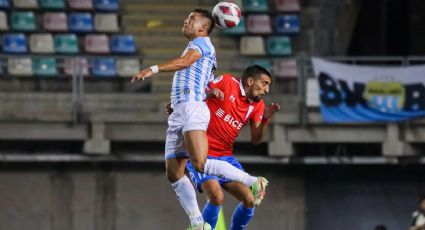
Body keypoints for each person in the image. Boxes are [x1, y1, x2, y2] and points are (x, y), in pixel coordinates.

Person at [131, 9, 268, 230]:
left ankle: (252, 181)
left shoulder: (202, 44)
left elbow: (185, 62)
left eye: (192, 19)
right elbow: (201, 78)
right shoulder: (202, 49)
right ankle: (197, 222)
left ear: (203, 28)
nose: (186, 21)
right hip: (180, 110)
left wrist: (153, 69)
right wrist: (187, 99)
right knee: (174, 173)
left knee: (200, 164)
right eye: (187, 18)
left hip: (192, 109)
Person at [168, 65, 280, 229]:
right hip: (202, 153)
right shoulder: (227, 82)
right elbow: (197, 94)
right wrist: (209, 93)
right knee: (216, 197)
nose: (267, 89)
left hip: (225, 157)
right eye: (264, 83)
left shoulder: (258, 106)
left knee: (249, 199)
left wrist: (265, 120)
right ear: (250, 81)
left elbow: (256, 139)